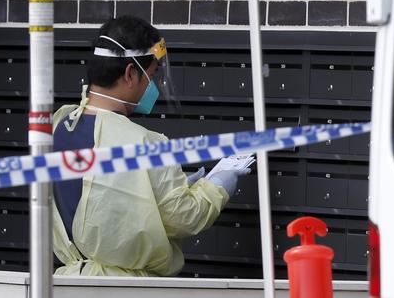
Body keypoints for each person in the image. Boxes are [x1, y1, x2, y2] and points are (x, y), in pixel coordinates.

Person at [51, 15, 249, 276]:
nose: (151, 87)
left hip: (68, 285)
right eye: (151, 75)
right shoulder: (146, 143)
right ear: (130, 73)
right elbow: (184, 218)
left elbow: (107, 201)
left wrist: (160, 190)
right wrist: (217, 187)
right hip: (127, 290)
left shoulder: (59, 124)